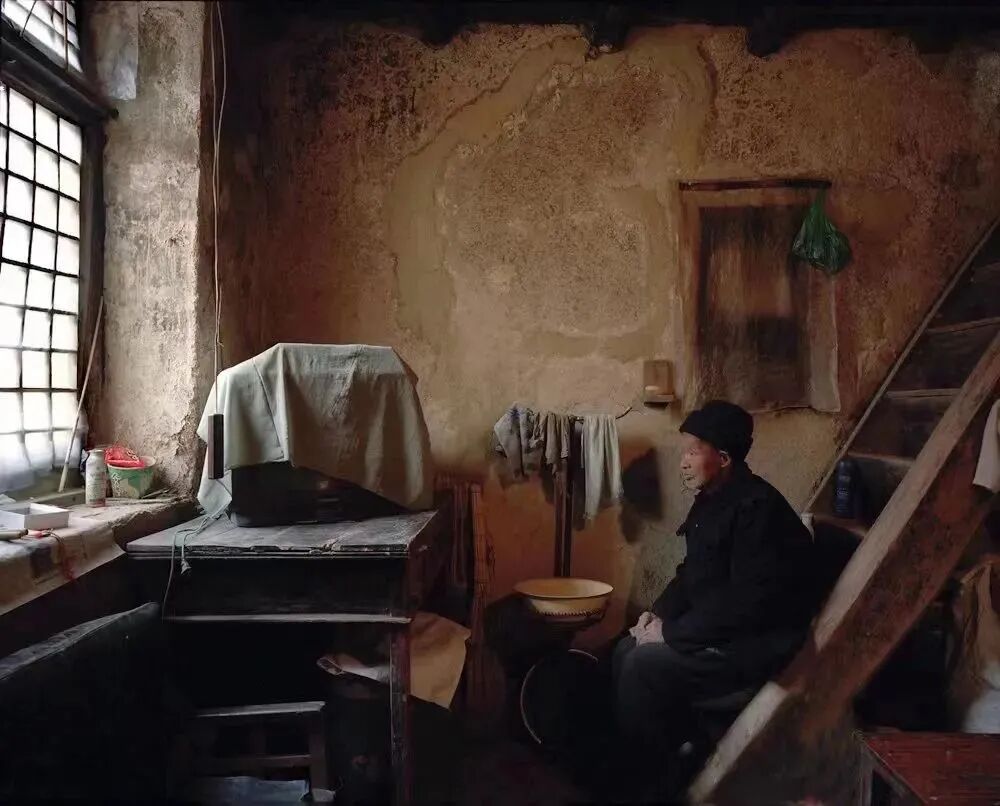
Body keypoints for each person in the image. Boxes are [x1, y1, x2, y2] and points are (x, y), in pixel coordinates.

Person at [612, 400, 817, 801]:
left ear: (723, 459)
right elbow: (692, 573)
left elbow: (745, 606)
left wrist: (671, 633)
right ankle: (661, 758)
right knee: (625, 647)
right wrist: (656, 615)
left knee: (640, 665)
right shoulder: (712, 500)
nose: (683, 462)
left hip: (753, 648)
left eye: (693, 451)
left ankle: (655, 787)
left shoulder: (757, 509)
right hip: (720, 631)